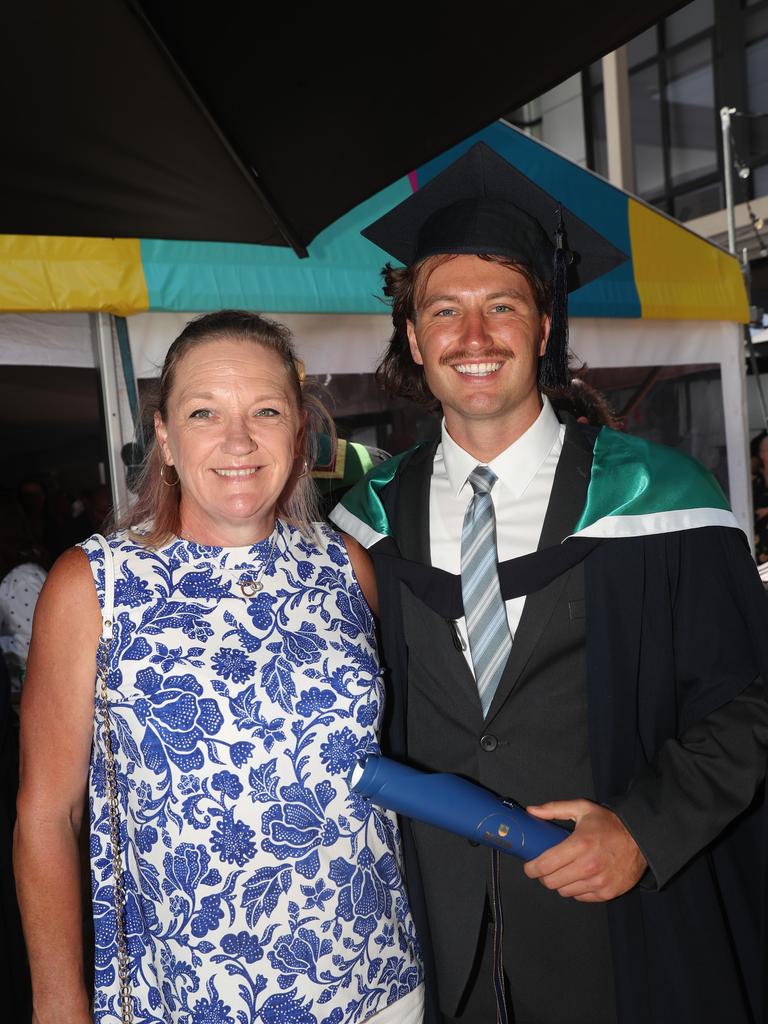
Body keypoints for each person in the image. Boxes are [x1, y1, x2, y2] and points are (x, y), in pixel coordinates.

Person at [330, 143, 768, 1024]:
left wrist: (646, 827)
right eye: (444, 311)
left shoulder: (662, 500)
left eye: (503, 306)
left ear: (542, 327)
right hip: (430, 949)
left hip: (623, 940)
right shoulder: (359, 524)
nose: (474, 337)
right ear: (413, 339)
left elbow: (752, 701)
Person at [15, 311, 423, 1024]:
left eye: (265, 411)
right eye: (206, 412)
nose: (239, 440)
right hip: (193, 996)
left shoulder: (344, 565)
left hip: (380, 980)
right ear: (167, 438)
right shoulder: (94, 585)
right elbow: (48, 814)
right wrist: (58, 1002)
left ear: (298, 431)